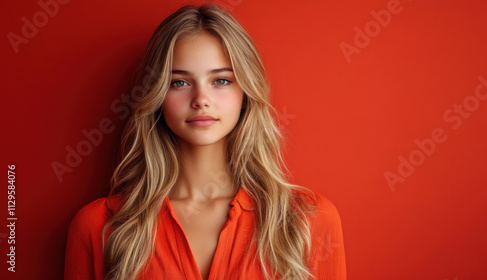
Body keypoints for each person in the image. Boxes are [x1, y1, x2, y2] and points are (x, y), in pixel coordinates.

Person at [64, 4, 346, 280]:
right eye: (179, 82)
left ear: (245, 93)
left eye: (221, 80)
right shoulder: (99, 227)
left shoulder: (309, 220)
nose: (201, 99)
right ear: (157, 96)